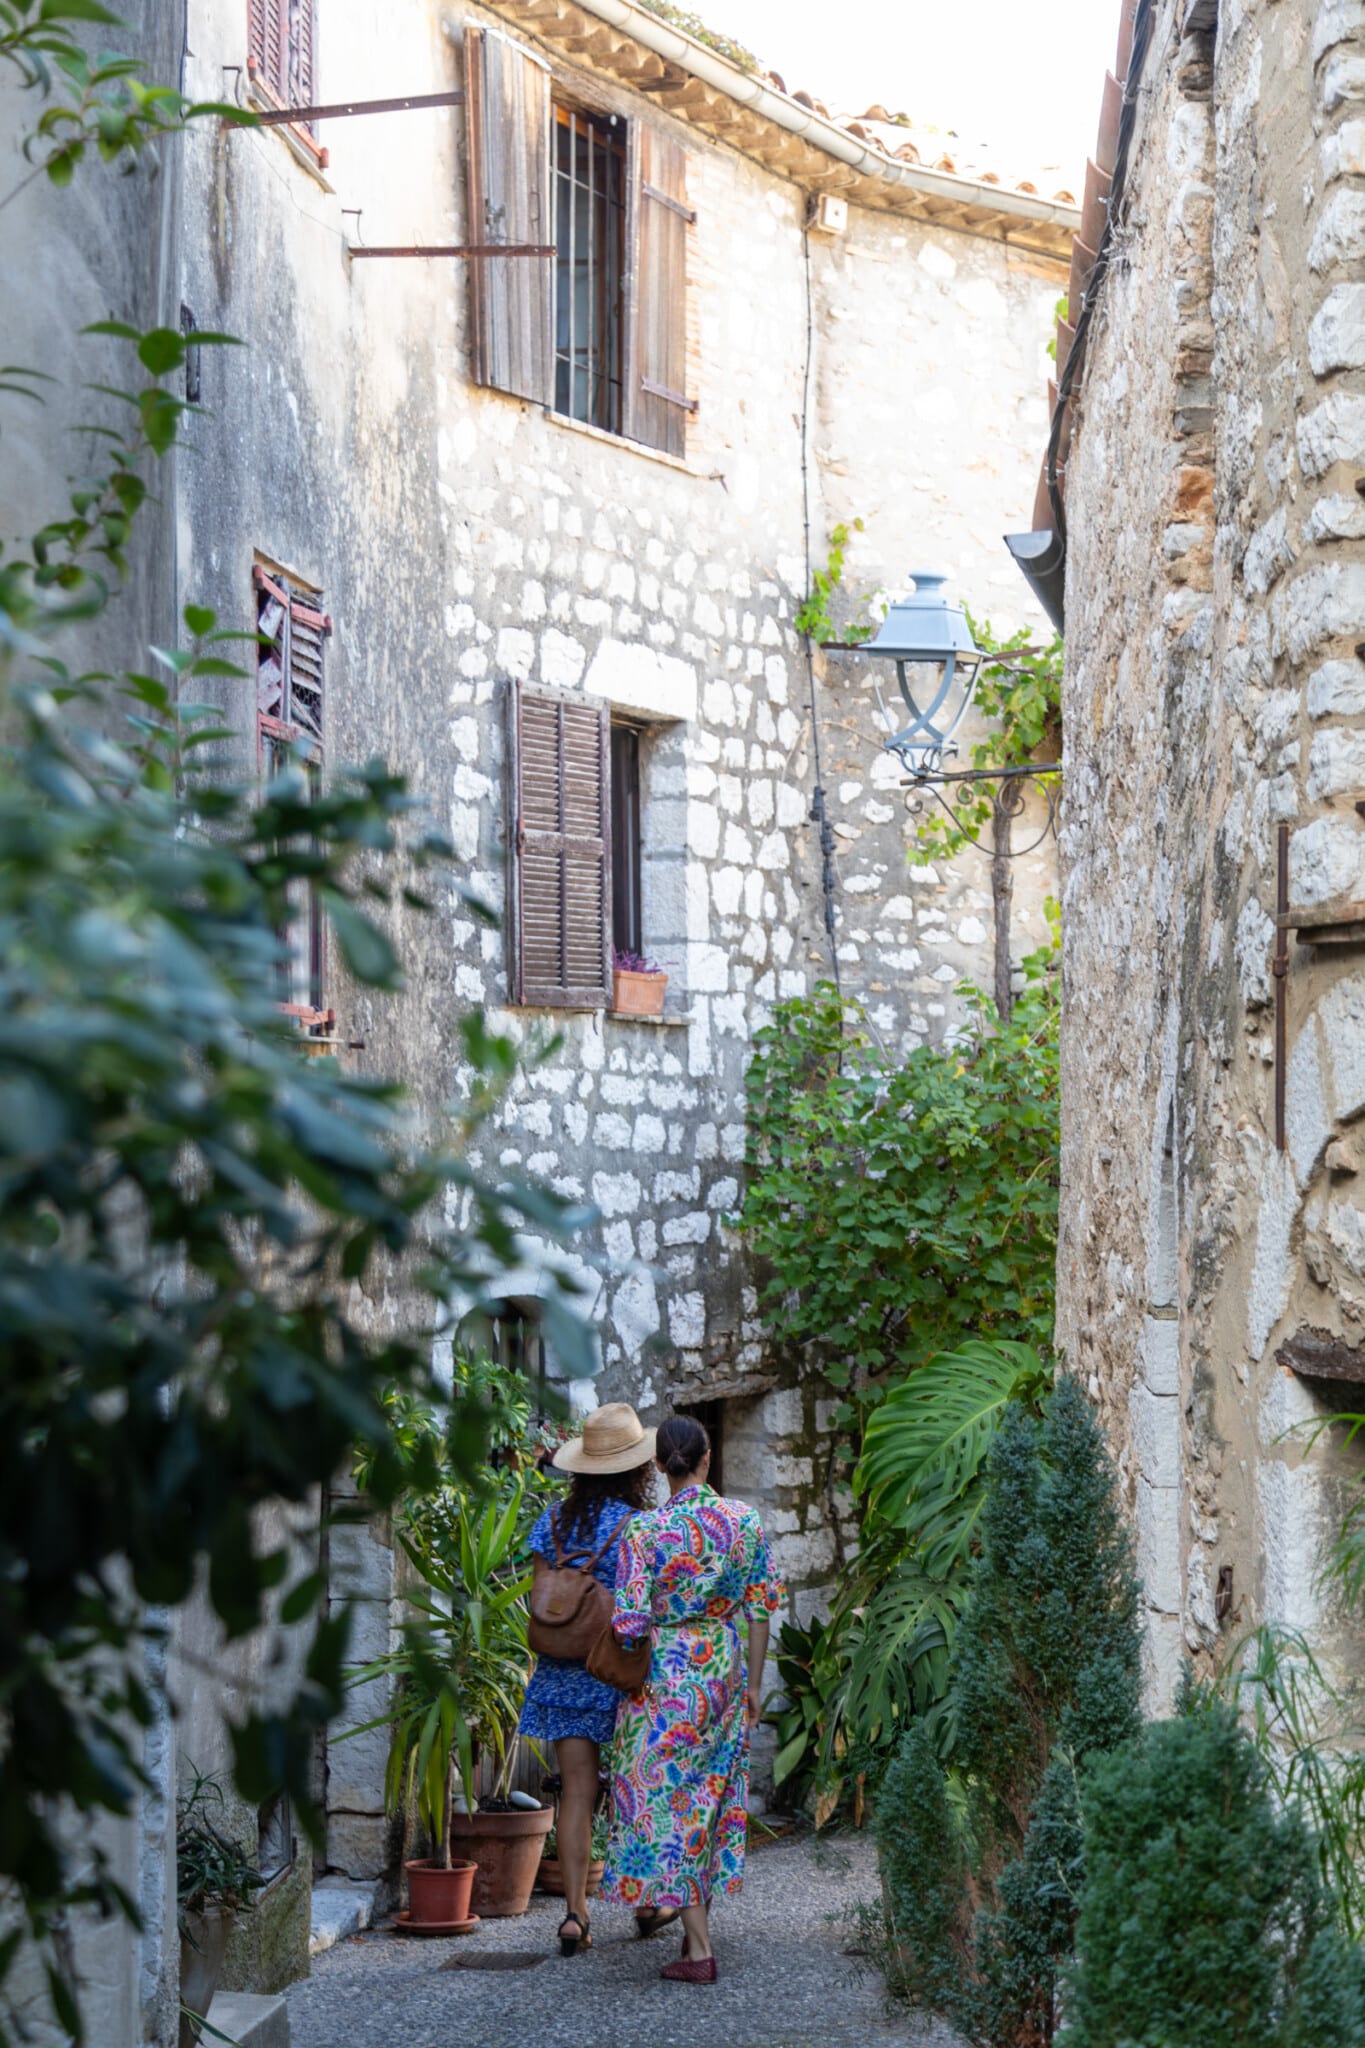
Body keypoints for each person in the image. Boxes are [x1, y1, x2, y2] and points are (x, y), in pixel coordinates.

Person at [601, 1411, 784, 1984]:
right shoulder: (743, 1521)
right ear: (707, 1459)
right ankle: (692, 1928)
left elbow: (629, 1625)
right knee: (707, 1798)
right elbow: (761, 1609)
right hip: (722, 1672)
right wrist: (752, 1686)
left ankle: (700, 1950)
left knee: (665, 1804)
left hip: (663, 1680)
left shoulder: (643, 1531)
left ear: (659, 1465)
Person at [518, 1403, 657, 1957]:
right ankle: (647, 1902)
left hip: (560, 1675)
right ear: (636, 1469)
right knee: (634, 1789)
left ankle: (575, 1914)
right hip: (618, 1673)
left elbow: (543, 1599)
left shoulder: (551, 1521)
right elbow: (643, 1604)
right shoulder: (637, 1526)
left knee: (576, 1793)